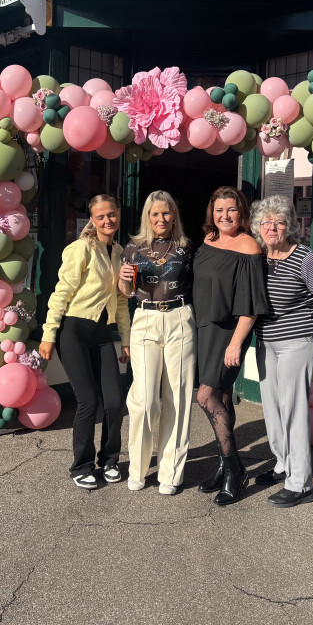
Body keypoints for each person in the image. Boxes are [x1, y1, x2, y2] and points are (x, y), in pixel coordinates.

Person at [250, 195, 313, 508]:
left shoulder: (305, 259)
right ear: (258, 228)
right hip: (266, 342)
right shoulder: (258, 257)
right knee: (272, 408)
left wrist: (307, 331)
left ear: (290, 227)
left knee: (294, 410)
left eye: (279, 222)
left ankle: (299, 483)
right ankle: (282, 464)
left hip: (297, 342)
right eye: (266, 222)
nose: (272, 227)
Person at [40, 194, 131, 490]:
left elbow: (120, 300)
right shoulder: (80, 249)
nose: (107, 220)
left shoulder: (119, 252)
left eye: (112, 214)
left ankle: (109, 459)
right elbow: (61, 292)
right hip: (74, 331)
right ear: (92, 219)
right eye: (101, 216)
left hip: (102, 333)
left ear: (118, 215)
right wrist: (48, 333)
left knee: (116, 403)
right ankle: (81, 465)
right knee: (88, 400)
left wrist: (126, 339)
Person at [192, 186, 268, 505]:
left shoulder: (248, 246)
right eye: (219, 210)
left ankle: (236, 469)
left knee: (206, 396)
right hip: (205, 327)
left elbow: (251, 303)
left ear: (242, 213)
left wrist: (237, 343)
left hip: (230, 331)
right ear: (212, 212)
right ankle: (225, 467)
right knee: (221, 396)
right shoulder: (208, 241)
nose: (225, 216)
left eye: (232, 210)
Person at [117, 191, 196, 496]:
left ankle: (170, 473)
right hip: (146, 319)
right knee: (146, 398)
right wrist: (124, 279)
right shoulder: (133, 248)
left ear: (174, 216)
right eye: (155, 214)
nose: (161, 219)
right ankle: (137, 467)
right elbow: (126, 291)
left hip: (180, 317)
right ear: (147, 217)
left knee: (178, 397)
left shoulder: (187, 248)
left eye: (166, 213)